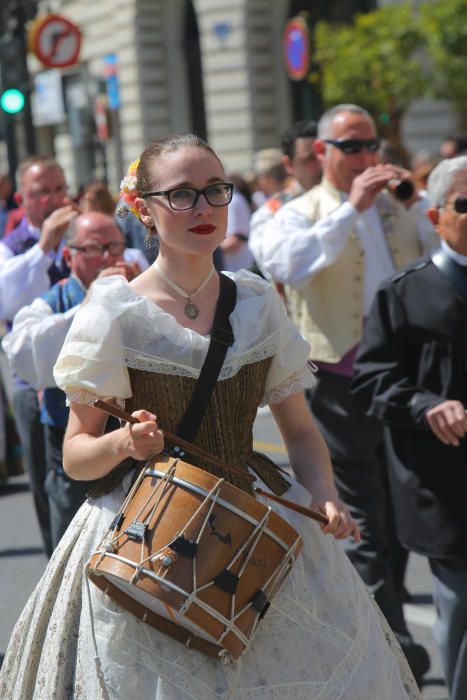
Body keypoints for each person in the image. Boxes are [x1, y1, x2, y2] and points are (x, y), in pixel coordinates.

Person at [0, 133, 420, 699]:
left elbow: (298, 430)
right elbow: (76, 453)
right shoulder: (114, 311)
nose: (202, 208)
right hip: (148, 536)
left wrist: (324, 496)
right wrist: (124, 444)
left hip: (253, 520)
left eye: (215, 191)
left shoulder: (256, 302)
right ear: (144, 209)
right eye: (182, 195)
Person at [252, 103, 438, 680]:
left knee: (406, 498)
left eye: (371, 145)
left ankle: (391, 621)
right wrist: (350, 209)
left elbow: (442, 252)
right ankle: (388, 635)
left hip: (406, 379)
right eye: (351, 147)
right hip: (339, 377)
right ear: (322, 153)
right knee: (360, 511)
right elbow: (290, 263)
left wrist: (418, 205)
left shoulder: (397, 207)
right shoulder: (294, 212)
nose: (365, 157)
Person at [351, 155, 467, 700]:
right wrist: (427, 405)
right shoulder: (403, 293)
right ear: (437, 215)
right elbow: (372, 381)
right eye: (464, 205)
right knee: (462, 606)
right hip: (447, 480)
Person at [2, 212, 139, 548]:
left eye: (115, 247)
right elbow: (23, 353)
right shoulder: (55, 300)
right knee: (73, 545)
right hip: (70, 446)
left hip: (133, 445)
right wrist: (90, 306)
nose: (108, 258)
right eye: (95, 248)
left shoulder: (138, 289)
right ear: (69, 255)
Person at [0, 155, 79, 556]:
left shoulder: (85, 229)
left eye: (58, 189)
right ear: (21, 199)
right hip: (33, 380)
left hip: (88, 372)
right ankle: (55, 564)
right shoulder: (11, 246)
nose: (52, 199)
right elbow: (5, 301)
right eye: (40, 192)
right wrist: (45, 247)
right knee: (47, 484)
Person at [249, 120, 321, 279]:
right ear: (289, 164)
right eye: (309, 159)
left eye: (324, 155)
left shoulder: (356, 199)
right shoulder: (270, 213)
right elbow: (276, 270)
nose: (320, 165)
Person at [220, 173, 254, 272]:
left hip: (239, 271)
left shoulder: (234, 200)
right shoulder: (233, 199)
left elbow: (234, 241)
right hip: (231, 269)